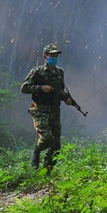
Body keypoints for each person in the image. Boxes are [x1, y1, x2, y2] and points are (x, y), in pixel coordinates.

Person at [20, 43, 75, 171]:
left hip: (55, 111)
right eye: (52, 55)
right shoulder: (37, 71)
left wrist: (66, 98)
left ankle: (47, 172)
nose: (54, 58)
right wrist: (41, 88)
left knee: (56, 146)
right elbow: (24, 88)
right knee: (47, 138)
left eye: (56, 55)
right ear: (45, 56)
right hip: (40, 109)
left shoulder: (60, 73)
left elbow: (59, 91)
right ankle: (36, 151)